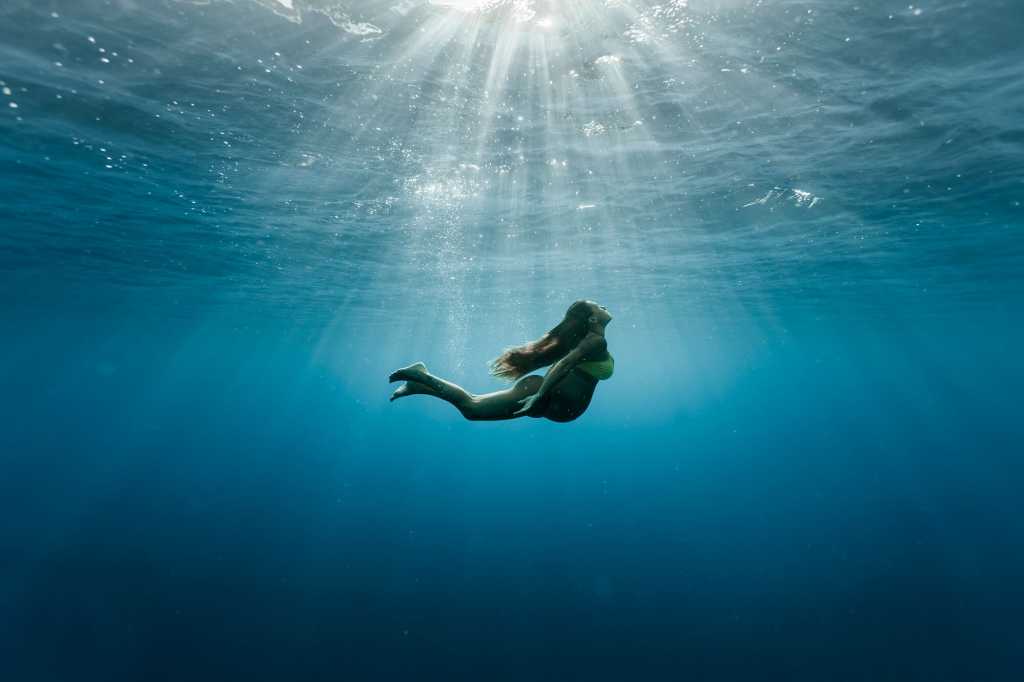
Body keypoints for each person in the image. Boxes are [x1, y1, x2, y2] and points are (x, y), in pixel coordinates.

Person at [388, 300, 613, 422]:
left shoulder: (584, 339)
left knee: (473, 405)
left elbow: (564, 364)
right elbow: (563, 365)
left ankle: (419, 385)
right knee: (472, 408)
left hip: (549, 398)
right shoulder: (595, 342)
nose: (604, 307)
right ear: (593, 318)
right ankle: (420, 376)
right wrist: (540, 397)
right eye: (599, 306)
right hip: (550, 399)